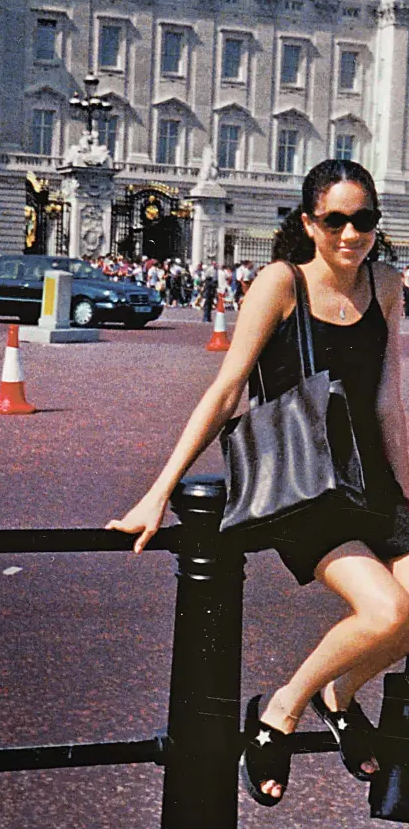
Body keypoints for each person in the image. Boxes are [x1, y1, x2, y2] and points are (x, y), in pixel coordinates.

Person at [106, 159, 409, 807]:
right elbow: (224, 392)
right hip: (306, 487)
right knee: (386, 611)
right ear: (308, 223)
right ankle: (281, 710)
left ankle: (338, 694)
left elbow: (388, 403)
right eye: (335, 220)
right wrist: (160, 491)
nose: (350, 234)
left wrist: (407, 492)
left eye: (363, 220)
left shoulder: (385, 283)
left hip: (373, 482)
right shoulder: (280, 283)